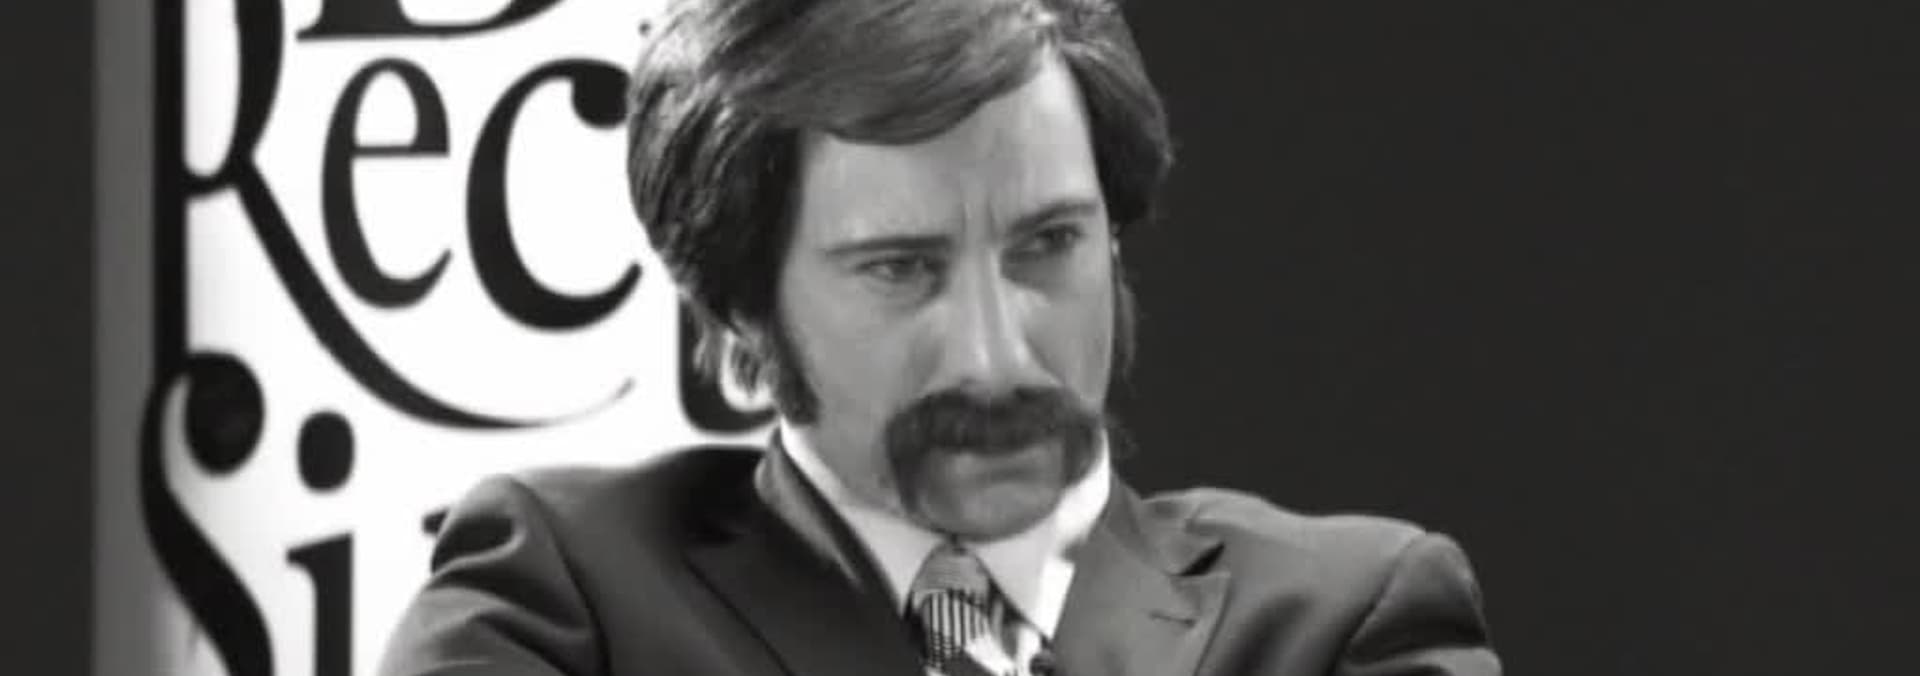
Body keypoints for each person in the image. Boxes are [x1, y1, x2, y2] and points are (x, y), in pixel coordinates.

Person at [378, 0, 1501, 674]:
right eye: (902, 269)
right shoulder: (568, 598)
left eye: (1047, 245)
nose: (996, 357)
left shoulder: (1345, 620)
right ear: (739, 312)